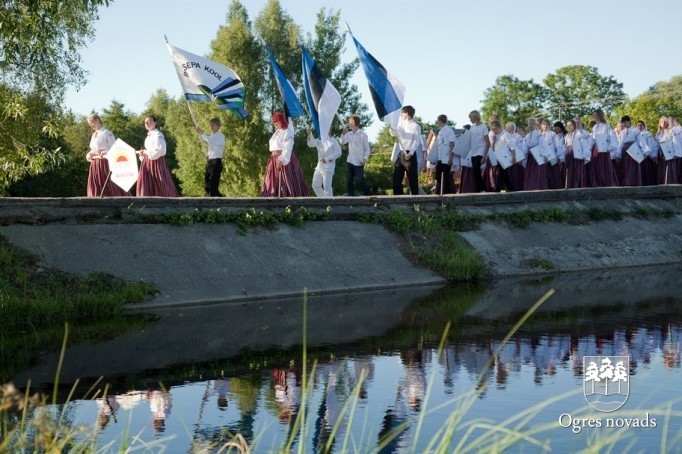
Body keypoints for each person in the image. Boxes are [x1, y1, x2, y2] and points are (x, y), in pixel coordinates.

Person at [261, 112, 309, 197]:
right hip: (273, 160)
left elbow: (288, 147)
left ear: (282, 121)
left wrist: (282, 160)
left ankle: (289, 201)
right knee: (271, 183)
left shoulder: (287, 132)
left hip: (284, 158)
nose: (275, 123)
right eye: (273, 121)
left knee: (287, 181)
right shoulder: (276, 133)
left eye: (277, 121)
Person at [86, 114, 130, 197]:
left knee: (109, 184)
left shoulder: (107, 133)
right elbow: (94, 149)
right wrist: (90, 153)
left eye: (92, 122)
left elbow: (114, 148)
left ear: (98, 120)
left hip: (105, 164)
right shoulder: (94, 135)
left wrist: (105, 152)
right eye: (90, 123)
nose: (91, 125)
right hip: (95, 164)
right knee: (97, 184)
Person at [136, 116, 178, 197]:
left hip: (156, 162)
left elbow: (162, 150)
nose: (147, 123)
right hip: (148, 162)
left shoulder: (158, 134)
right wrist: (144, 154)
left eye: (149, 121)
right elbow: (151, 150)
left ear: (155, 123)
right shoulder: (149, 136)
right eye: (146, 122)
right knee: (147, 182)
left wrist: (147, 153)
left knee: (160, 181)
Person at [390, 106, 422, 195]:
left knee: (412, 179)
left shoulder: (415, 126)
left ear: (407, 114)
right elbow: (394, 134)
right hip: (401, 154)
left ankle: (415, 201)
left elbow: (416, 140)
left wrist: (411, 153)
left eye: (402, 113)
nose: (401, 115)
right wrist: (392, 127)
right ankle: (398, 198)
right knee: (396, 178)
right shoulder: (401, 124)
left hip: (409, 154)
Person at [340, 115, 371, 196]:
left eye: (349, 122)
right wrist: (343, 134)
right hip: (350, 160)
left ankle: (369, 194)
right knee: (349, 180)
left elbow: (367, 149)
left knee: (359, 180)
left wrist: (365, 159)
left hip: (359, 161)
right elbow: (342, 142)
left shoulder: (363, 135)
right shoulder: (349, 134)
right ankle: (350, 195)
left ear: (353, 122)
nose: (348, 124)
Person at [306, 129, 342, 197]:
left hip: (328, 166)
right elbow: (311, 144)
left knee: (327, 188)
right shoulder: (319, 140)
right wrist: (309, 134)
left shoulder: (333, 140)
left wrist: (327, 159)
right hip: (319, 166)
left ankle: (329, 205)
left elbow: (339, 152)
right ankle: (324, 201)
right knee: (315, 185)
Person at [196, 117, 225, 197]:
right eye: (210, 125)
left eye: (213, 125)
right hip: (211, 162)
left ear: (218, 126)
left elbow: (211, 141)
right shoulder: (212, 136)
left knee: (213, 184)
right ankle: (221, 199)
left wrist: (202, 133)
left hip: (216, 162)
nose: (211, 127)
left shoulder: (220, 136)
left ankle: (214, 203)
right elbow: (213, 148)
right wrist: (208, 155)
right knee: (207, 185)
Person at [590, 109, 619, 187]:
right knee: (596, 167)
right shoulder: (594, 127)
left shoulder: (607, 126)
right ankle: (598, 183)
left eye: (596, 115)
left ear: (600, 115)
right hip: (596, 149)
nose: (594, 117)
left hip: (604, 149)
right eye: (594, 115)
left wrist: (609, 148)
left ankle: (607, 183)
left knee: (605, 167)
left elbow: (613, 138)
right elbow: (592, 139)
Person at [523, 118, 548, 190]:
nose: (530, 125)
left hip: (537, 156)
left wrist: (544, 156)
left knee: (537, 173)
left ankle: (538, 188)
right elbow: (525, 148)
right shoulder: (527, 136)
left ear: (535, 125)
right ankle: (530, 189)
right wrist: (524, 158)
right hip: (530, 157)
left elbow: (542, 145)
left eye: (532, 124)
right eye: (529, 124)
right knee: (530, 174)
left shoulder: (538, 134)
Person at [468, 110, 490, 192]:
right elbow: (468, 138)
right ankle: (480, 188)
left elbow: (487, 142)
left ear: (475, 116)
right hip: (473, 152)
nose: (470, 119)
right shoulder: (472, 127)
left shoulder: (483, 127)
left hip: (480, 151)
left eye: (470, 117)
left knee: (476, 170)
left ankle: (481, 189)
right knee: (474, 171)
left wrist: (485, 155)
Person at [434, 114, 456, 194]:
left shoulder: (449, 131)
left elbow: (452, 144)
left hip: (446, 158)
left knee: (446, 177)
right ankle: (442, 190)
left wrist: (451, 158)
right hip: (440, 158)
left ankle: (447, 193)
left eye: (437, 121)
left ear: (440, 121)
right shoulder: (440, 132)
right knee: (438, 175)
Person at [618, 115, 642, 186]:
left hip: (633, 148)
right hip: (624, 150)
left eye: (625, 122)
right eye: (623, 122)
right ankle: (625, 183)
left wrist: (644, 151)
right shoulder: (622, 132)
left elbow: (640, 141)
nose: (624, 124)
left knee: (632, 167)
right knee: (624, 166)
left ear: (629, 121)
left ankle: (633, 182)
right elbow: (620, 143)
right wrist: (618, 154)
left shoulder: (635, 130)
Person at [636, 120, 658, 186]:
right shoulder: (635, 135)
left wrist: (651, 155)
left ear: (644, 126)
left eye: (641, 125)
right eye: (638, 125)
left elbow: (651, 145)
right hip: (638, 156)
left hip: (646, 156)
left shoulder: (647, 134)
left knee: (647, 173)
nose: (639, 126)